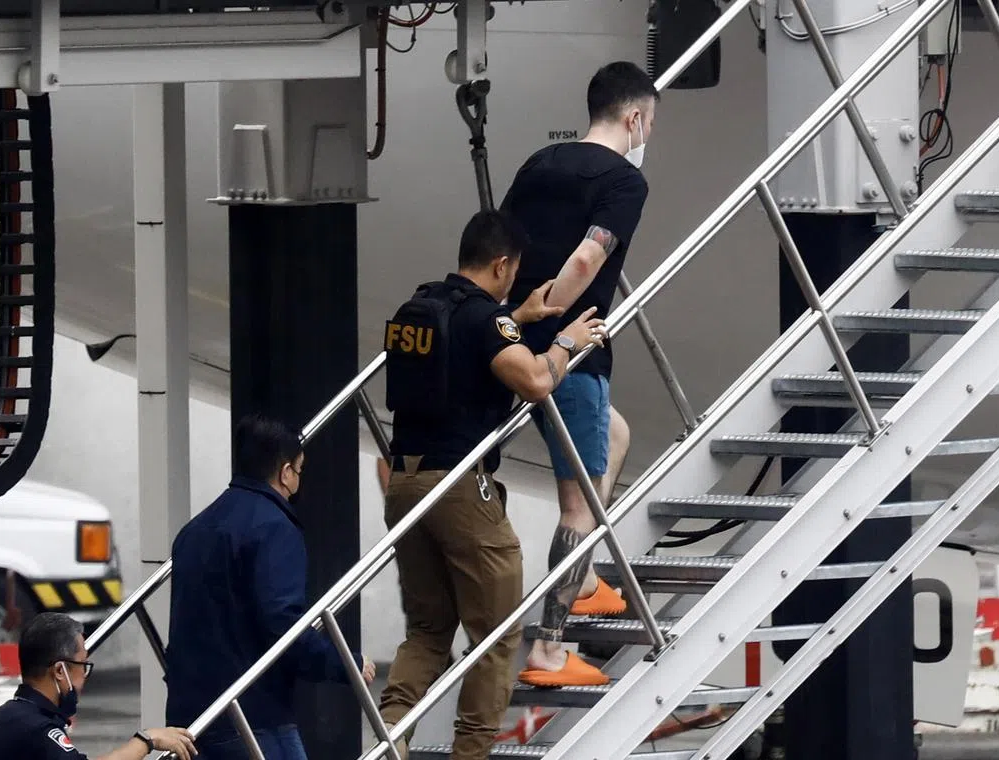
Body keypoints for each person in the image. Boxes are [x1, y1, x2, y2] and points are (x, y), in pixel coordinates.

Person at [378, 209, 605, 760]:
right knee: (497, 635)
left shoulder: (425, 307)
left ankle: (387, 745)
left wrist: (517, 318)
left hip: (405, 483)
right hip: (459, 488)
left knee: (429, 633)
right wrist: (569, 343)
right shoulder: (486, 322)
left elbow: (466, 358)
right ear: (502, 264)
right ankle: (471, 755)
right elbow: (531, 380)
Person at [499, 60, 658, 687]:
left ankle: (587, 578)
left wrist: (512, 317)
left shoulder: (539, 163)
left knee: (614, 438)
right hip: (571, 351)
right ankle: (549, 646)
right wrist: (560, 316)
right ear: (635, 118)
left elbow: (498, 241)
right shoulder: (625, 182)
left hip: (512, 340)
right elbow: (592, 253)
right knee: (578, 506)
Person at [165, 413, 375, 760]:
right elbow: (283, 624)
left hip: (191, 716)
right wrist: (344, 664)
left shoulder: (195, 529)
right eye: (299, 470)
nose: (299, 480)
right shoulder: (274, 528)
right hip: (253, 718)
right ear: (285, 472)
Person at [0, 612, 196, 760]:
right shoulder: (35, 728)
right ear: (60, 671)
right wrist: (147, 740)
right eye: (82, 665)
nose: (85, 675)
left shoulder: (5, 717)